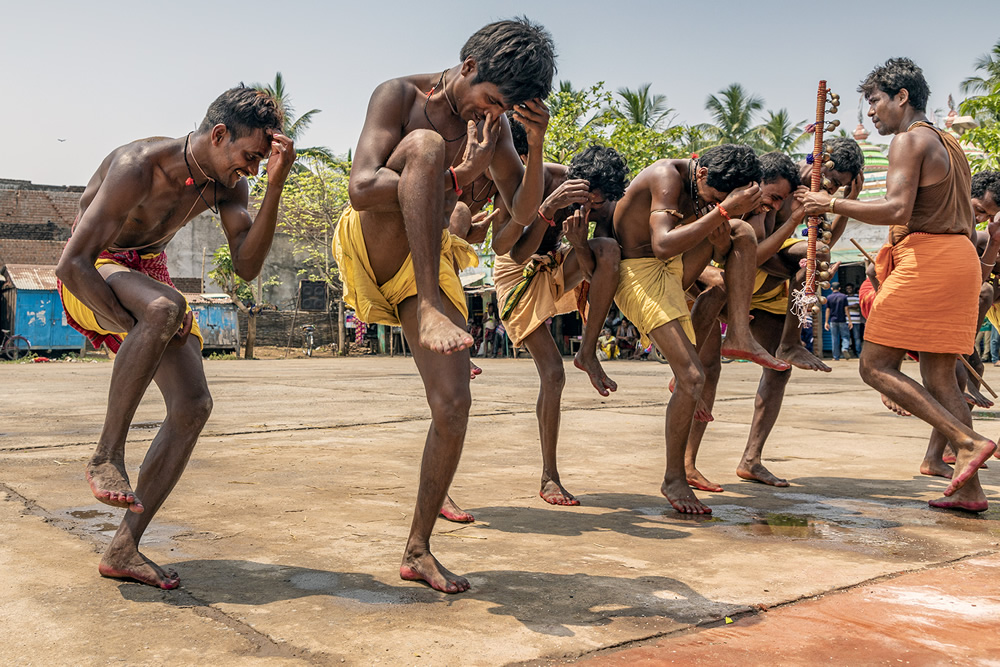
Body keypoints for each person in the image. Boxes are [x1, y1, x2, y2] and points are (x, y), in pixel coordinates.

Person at [335, 18, 555, 592]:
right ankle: (429, 303)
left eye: (505, 109)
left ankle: (418, 549)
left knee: (455, 402)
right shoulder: (398, 95)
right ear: (468, 67)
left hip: (430, 250)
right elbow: (361, 188)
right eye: (489, 98)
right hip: (373, 239)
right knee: (427, 147)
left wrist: (534, 147)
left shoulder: (499, 126)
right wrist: (461, 176)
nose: (491, 114)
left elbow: (522, 213)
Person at [56, 86, 294, 588]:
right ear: (219, 134)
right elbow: (70, 262)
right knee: (165, 307)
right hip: (93, 269)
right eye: (250, 158)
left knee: (193, 405)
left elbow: (248, 266)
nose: (250, 170)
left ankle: (124, 548)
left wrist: (273, 186)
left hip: (146, 274)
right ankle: (106, 455)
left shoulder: (230, 186)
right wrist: (136, 325)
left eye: (259, 164)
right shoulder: (138, 165)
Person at [799, 57, 996, 512]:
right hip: (958, 259)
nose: (870, 112)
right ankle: (969, 492)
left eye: (874, 101)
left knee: (875, 366)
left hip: (927, 260)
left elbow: (895, 210)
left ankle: (966, 442)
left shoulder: (909, 140)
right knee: (941, 377)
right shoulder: (950, 141)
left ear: (901, 97)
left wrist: (830, 202)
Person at [604, 144, 785, 514]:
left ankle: (738, 335)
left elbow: (717, 241)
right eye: (714, 195)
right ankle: (673, 478)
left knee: (742, 233)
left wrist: (726, 224)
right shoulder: (665, 176)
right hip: (638, 273)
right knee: (692, 376)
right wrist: (722, 211)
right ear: (701, 174)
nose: (715, 202)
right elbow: (662, 244)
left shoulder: (707, 185)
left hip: (672, 268)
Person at [492, 144, 627, 505]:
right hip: (516, 272)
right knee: (553, 375)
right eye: (589, 199)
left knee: (609, 250)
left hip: (559, 261)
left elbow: (590, 265)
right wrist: (548, 209)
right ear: (574, 180)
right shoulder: (535, 179)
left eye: (599, 204)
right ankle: (549, 477)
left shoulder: (601, 203)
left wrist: (580, 242)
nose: (593, 207)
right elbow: (514, 252)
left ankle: (588, 350)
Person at [824, 282, 851, 360]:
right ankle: (845, 348)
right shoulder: (843, 297)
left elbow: (827, 310)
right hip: (842, 320)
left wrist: (826, 322)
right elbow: (846, 309)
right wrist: (849, 321)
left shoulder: (828, 297)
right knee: (845, 336)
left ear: (831, 288)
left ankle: (835, 356)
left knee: (834, 338)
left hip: (833, 321)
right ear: (839, 288)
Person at [845, 283, 864, 357]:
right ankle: (848, 352)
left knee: (857, 338)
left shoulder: (857, 296)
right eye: (847, 289)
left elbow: (858, 305)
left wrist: (848, 307)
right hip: (846, 320)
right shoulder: (845, 297)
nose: (849, 290)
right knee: (847, 337)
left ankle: (858, 353)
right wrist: (851, 307)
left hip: (856, 320)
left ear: (852, 289)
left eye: (850, 288)